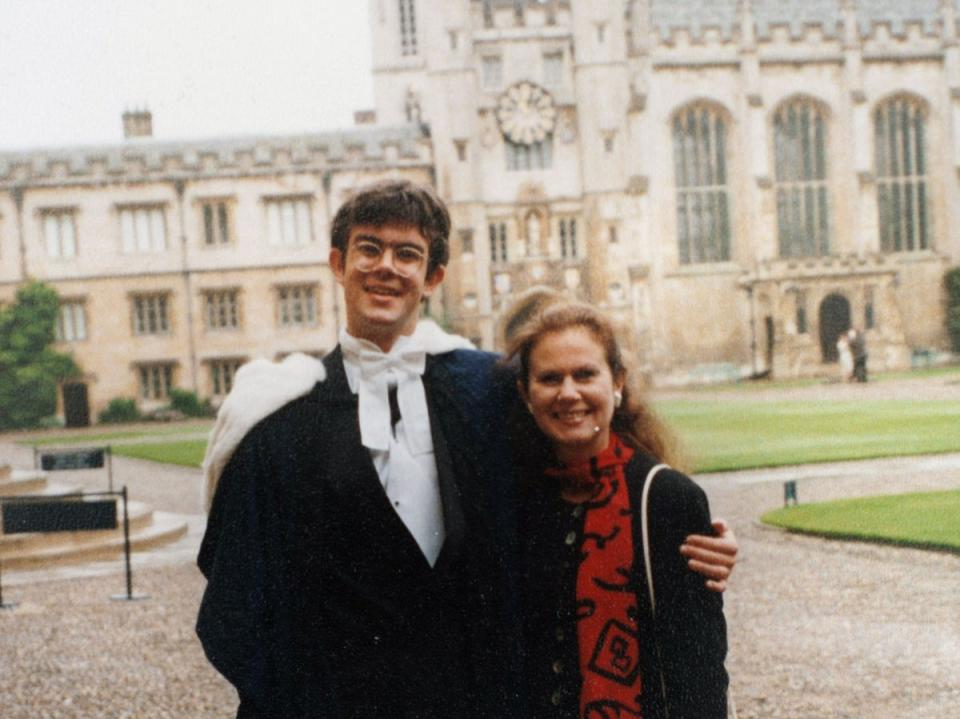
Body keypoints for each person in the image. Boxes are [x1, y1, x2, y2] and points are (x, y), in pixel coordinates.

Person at [197, 179, 737, 719]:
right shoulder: (281, 419)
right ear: (338, 263)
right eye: (369, 248)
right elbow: (237, 603)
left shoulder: (486, 389)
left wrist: (680, 532)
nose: (386, 266)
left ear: (433, 277)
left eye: (407, 253)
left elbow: (582, 472)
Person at [508, 302, 728, 718]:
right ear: (525, 393)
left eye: (585, 374)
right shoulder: (517, 499)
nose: (568, 393)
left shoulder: (666, 498)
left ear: (618, 382)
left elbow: (699, 671)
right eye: (550, 378)